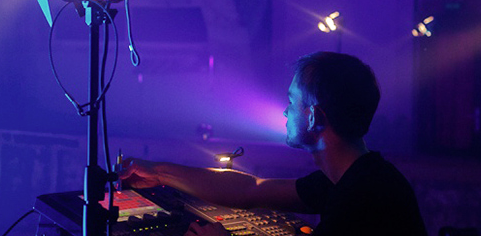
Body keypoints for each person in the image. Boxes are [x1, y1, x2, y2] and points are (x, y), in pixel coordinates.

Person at [120, 52, 427, 235]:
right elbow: (251, 189)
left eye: (292, 102)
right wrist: (159, 173)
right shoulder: (355, 178)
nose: (284, 112)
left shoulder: (362, 201)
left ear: (314, 118)